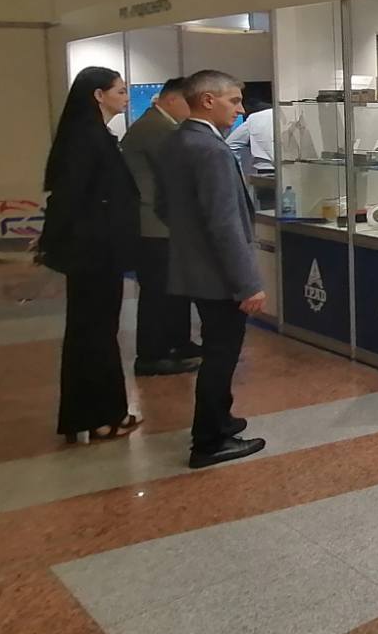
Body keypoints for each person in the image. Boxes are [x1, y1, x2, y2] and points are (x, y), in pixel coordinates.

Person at [156, 70, 267, 468]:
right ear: (207, 100)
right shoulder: (211, 150)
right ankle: (208, 440)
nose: (241, 110)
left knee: (218, 349)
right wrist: (247, 283)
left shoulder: (177, 141)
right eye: (233, 101)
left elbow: (164, 206)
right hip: (219, 274)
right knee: (221, 355)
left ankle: (221, 419)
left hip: (196, 267)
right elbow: (224, 224)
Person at [36, 66, 142, 441]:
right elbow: (72, 196)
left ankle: (94, 414)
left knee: (94, 331)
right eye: (120, 90)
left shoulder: (92, 134)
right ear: (98, 95)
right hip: (94, 250)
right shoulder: (87, 138)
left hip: (97, 247)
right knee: (95, 332)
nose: (126, 97)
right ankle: (100, 416)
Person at [119, 78, 202, 376]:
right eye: (188, 102)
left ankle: (178, 343)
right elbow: (181, 173)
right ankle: (152, 354)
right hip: (154, 225)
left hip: (164, 223)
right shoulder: (157, 129)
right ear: (171, 99)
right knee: (157, 292)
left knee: (174, 289)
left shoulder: (160, 125)